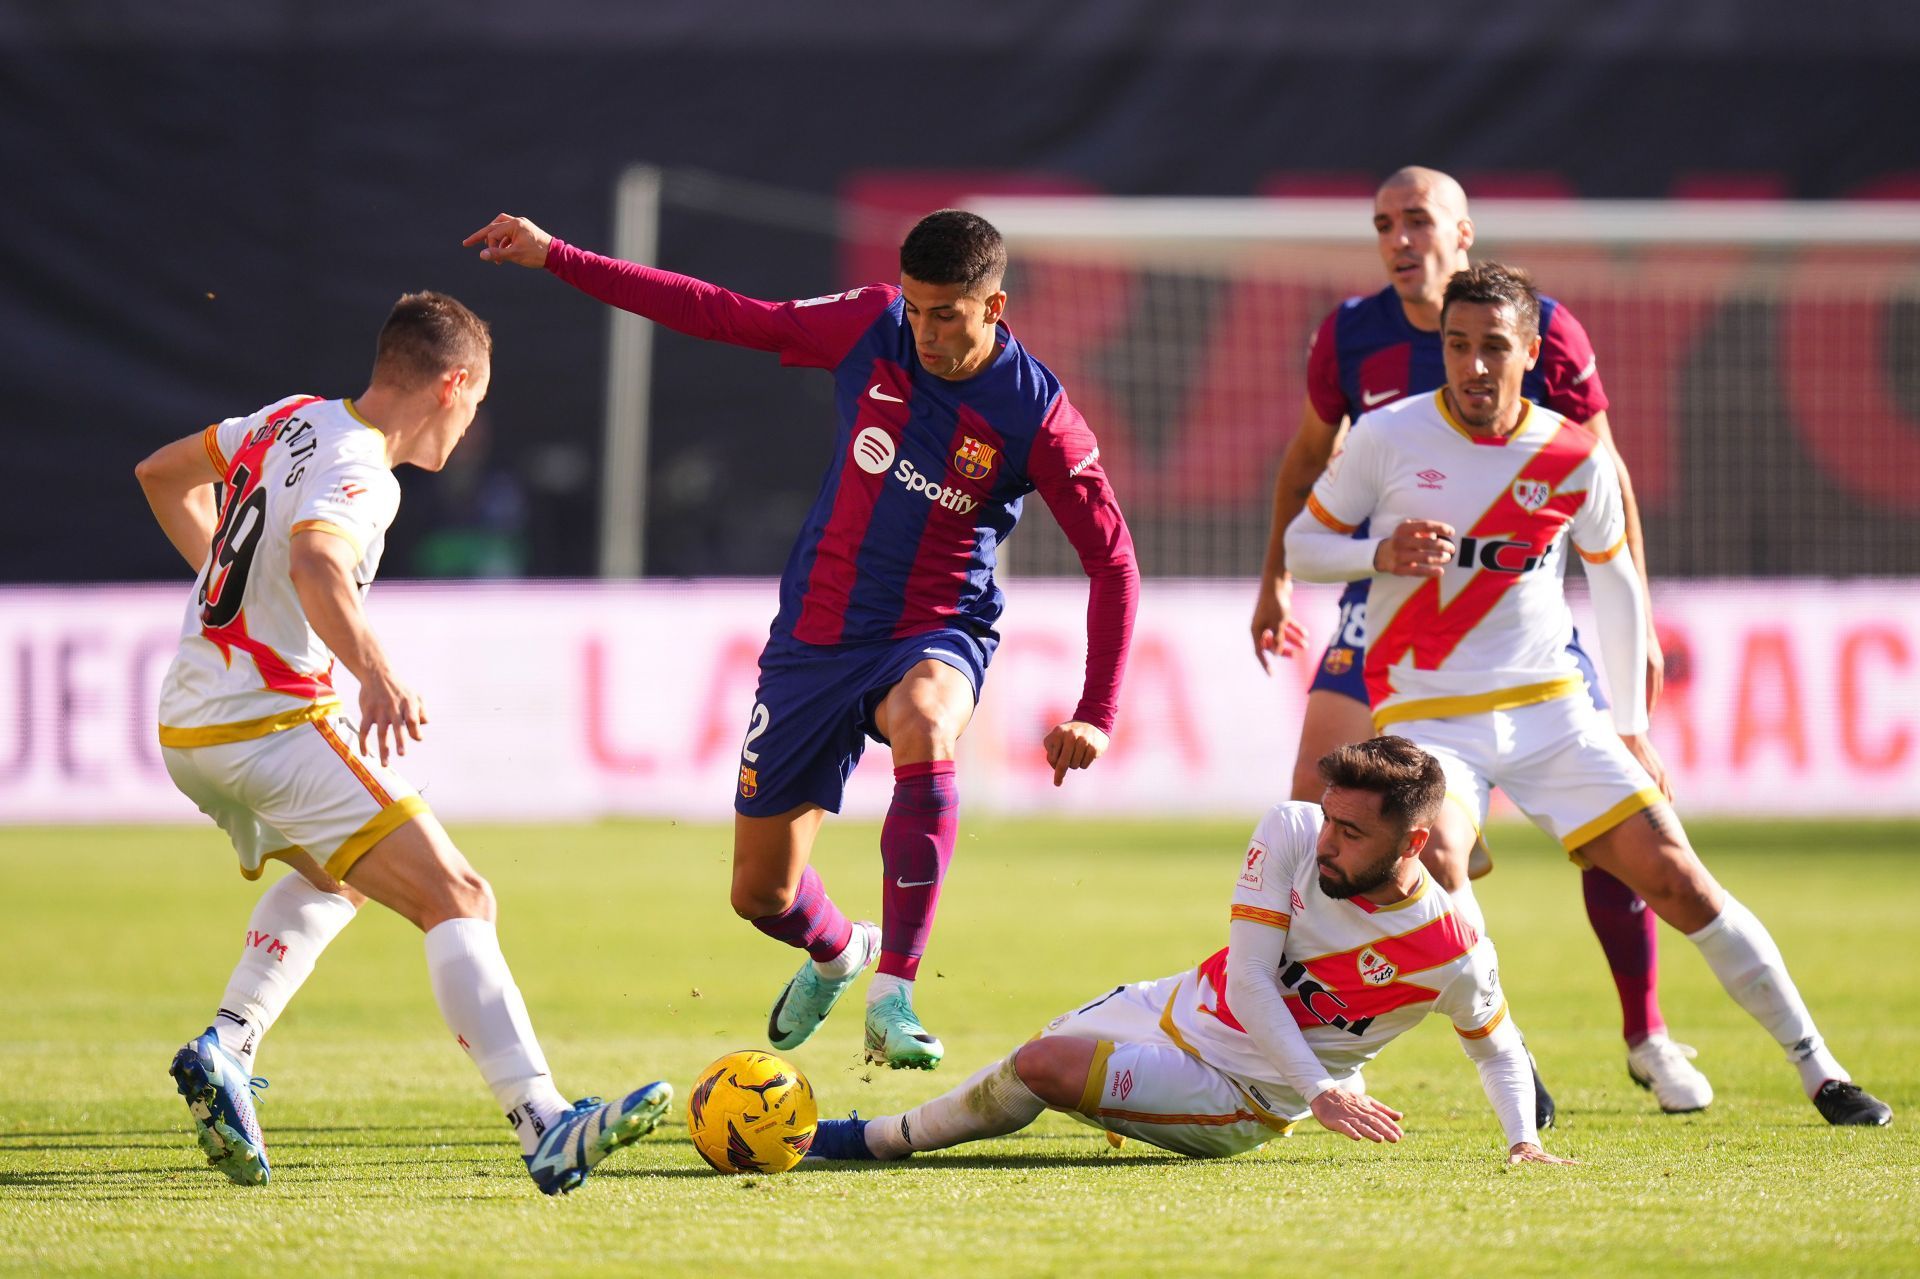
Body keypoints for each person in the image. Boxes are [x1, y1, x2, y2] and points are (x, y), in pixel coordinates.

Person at [466, 210, 1139, 1070]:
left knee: (927, 721)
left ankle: (895, 991)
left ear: (995, 307)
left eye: (949, 315)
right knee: (760, 892)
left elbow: (1114, 562)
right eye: (918, 308)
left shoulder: (1036, 415)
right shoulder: (871, 324)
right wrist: (557, 256)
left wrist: (1097, 710)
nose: (927, 332)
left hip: (935, 626)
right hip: (816, 639)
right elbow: (720, 310)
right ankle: (838, 950)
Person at [1283, 262, 1891, 1127]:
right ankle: (1514, 1056)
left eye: (1495, 347)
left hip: (1551, 708)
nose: (1474, 366)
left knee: (1679, 878)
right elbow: (1305, 544)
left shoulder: (1572, 452)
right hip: (1427, 712)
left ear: (1532, 351)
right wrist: (1375, 553)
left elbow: (1617, 582)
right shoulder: (1387, 435)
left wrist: (1632, 725)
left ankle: (1819, 1068)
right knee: (1441, 859)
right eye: (1458, 346)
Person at [135, 292, 672, 1193]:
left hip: (189, 723)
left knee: (335, 874)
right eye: (476, 401)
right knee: (458, 892)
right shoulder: (362, 468)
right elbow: (313, 560)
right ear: (452, 385)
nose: (470, 423)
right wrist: (375, 671)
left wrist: (237, 598)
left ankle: (226, 1044)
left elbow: (159, 473)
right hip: (267, 723)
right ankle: (544, 1119)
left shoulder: (289, 419)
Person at [1248, 166, 1704, 1116]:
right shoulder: (1351, 332)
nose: (1399, 238)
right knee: (1320, 805)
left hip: (1512, 620)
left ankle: (1647, 1032)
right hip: (1391, 599)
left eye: (1418, 220)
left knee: (1614, 840)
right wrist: (1277, 574)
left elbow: (1601, 471)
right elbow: (1305, 458)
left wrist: (1639, 613)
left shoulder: (1541, 329)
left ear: (1462, 235)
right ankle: (1341, 1031)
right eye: (1384, 224)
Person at [807, 736, 1572, 1167]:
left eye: (1353, 832)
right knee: (1035, 1054)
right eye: (1331, 818)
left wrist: (1522, 1143)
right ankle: (1121, 1106)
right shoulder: (1293, 829)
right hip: (1178, 1002)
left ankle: (875, 1139)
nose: (1329, 843)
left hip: (1243, 1092)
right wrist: (1328, 1086)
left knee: (1041, 1068)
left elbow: (1498, 1049)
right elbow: (1246, 977)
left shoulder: (1452, 948)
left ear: (1412, 843)